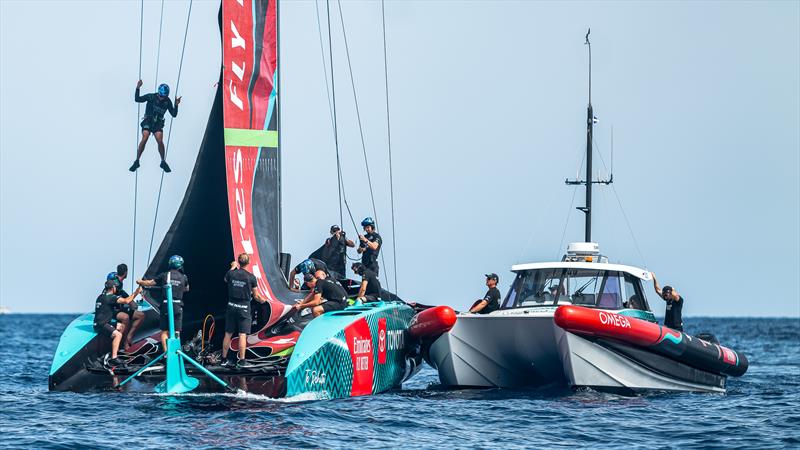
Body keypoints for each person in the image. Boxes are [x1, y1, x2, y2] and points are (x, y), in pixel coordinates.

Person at [221, 253, 268, 368]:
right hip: (244, 309)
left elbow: (225, 279)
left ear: (238, 262)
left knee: (228, 334)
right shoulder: (251, 277)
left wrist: (232, 267)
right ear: (248, 263)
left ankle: (223, 359)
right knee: (242, 334)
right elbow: (256, 296)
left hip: (231, 306)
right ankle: (242, 361)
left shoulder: (231, 273)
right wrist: (264, 301)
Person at [137, 255, 190, 352]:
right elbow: (187, 288)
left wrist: (140, 282)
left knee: (164, 331)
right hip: (178, 306)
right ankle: (176, 351)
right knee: (177, 331)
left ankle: (167, 353)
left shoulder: (165, 275)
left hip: (166, 305)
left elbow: (150, 283)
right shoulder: (184, 277)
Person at [129, 80, 181, 173]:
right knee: (145, 137)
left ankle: (163, 162)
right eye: (161, 96)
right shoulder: (151, 96)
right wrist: (138, 87)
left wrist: (176, 105)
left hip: (158, 123)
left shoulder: (167, 101)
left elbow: (173, 114)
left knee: (160, 140)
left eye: (164, 97)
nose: (162, 98)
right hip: (148, 121)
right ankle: (137, 161)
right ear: (158, 93)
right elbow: (137, 99)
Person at [94, 280, 142, 366]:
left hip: (99, 323)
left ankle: (117, 347)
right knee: (118, 335)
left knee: (121, 326)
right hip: (101, 325)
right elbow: (127, 301)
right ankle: (114, 358)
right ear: (113, 288)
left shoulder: (100, 296)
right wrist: (136, 292)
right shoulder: (111, 297)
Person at [107, 264, 145, 350]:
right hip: (112, 310)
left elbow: (123, 294)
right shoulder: (115, 283)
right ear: (126, 272)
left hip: (119, 307)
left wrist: (132, 303)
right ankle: (124, 343)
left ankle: (129, 336)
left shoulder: (120, 283)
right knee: (125, 317)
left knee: (141, 315)